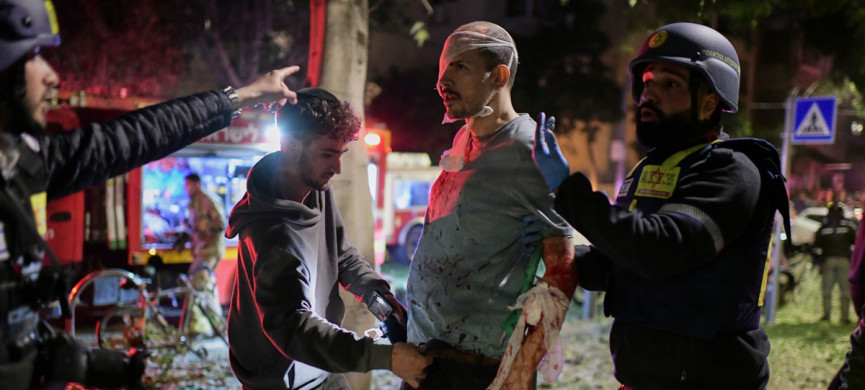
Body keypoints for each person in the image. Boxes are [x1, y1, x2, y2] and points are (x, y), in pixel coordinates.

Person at [0, 1, 305, 388]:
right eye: (35, 56)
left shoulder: (21, 162)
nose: (52, 76)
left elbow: (135, 137)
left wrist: (237, 98)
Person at [532, 22, 790, 389]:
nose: (649, 95)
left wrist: (567, 189)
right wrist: (548, 250)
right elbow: (617, 264)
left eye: (670, 84)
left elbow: (659, 250)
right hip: (643, 378)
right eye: (648, 83)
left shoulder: (732, 172)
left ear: (709, 101)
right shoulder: (652, 170)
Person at [404, 21, 577, 390]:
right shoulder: (463, 137)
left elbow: (563, 269)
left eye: (459, 67)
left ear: (498, 76)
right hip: (427, 361)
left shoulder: (529, 152)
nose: (442, 81)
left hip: (480, 370)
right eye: (443, 68)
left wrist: (518, 373)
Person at [225, 87, 432, 390]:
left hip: (323, 366)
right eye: (327, 154)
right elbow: (294, 328)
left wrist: (378, 297)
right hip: (282, 382)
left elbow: (342, 254)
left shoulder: (316, 188)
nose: (337, 168)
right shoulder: (273, 236)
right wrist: (386, 358)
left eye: (341, 154)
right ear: (291, 145)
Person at [175, 172, 226, 336]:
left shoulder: (208, 200)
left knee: (195, 285)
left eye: (188, 185)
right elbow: (192, 226)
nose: (186, 189)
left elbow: (221, 224)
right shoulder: (193, 203)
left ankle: (199, 327)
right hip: (201, 250)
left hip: (210, 250)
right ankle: (218, 326)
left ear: (197, 184)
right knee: (205, 287)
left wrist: (203, 227)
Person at [811, 203, 857, 323]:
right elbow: (855, 243)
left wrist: (818, 260)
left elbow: (816, 245)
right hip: (843, 260)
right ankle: (843, 317)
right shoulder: (848, 227)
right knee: (844, 290)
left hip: (829, 260)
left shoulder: (824, 228)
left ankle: (827, 315)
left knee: (828, 289)